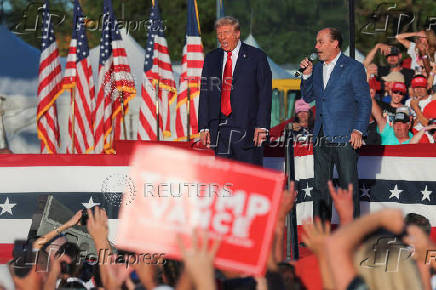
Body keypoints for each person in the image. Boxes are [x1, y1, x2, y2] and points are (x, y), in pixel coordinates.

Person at [299, 27, 371, 219]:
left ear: (334, 43)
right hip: (321, 134)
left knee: (348, 187)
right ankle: (321, 233)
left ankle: (351, 234)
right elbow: (307, 97)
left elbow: (364, 101)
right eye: (317, 42)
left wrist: (358, 130)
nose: (316, 46)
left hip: (345, 135)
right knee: (321, 187)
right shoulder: (318, 68)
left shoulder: (353, 67)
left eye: (321, 42)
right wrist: (306, 75)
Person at [198, 16, 272, 166]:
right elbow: (205, 94)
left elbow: (265, 94)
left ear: (237, 33)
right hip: (219, 132)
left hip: (248, 130)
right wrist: (204, 126)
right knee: (223, 182)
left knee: (249, 179)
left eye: (226, 33)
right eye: (219, 34)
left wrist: (262, 126)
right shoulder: (211, 58)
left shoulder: (257, 57)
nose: (222, 37)